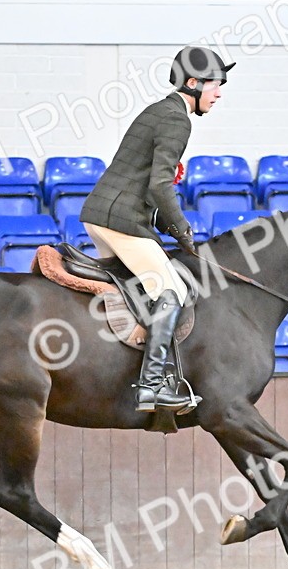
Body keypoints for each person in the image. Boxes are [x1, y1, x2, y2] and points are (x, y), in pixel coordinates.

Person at [79, 45, 234, 413]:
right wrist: (183, 231)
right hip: (121, 219)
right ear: (193, 83)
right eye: (216, 84)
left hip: (104, 215)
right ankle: (152, 386)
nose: (220, 93)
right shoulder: (177, 118)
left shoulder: (161, 112)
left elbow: (150, 182)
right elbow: (160, 186)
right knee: (172, 288)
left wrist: (168, 225)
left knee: (144, 290)